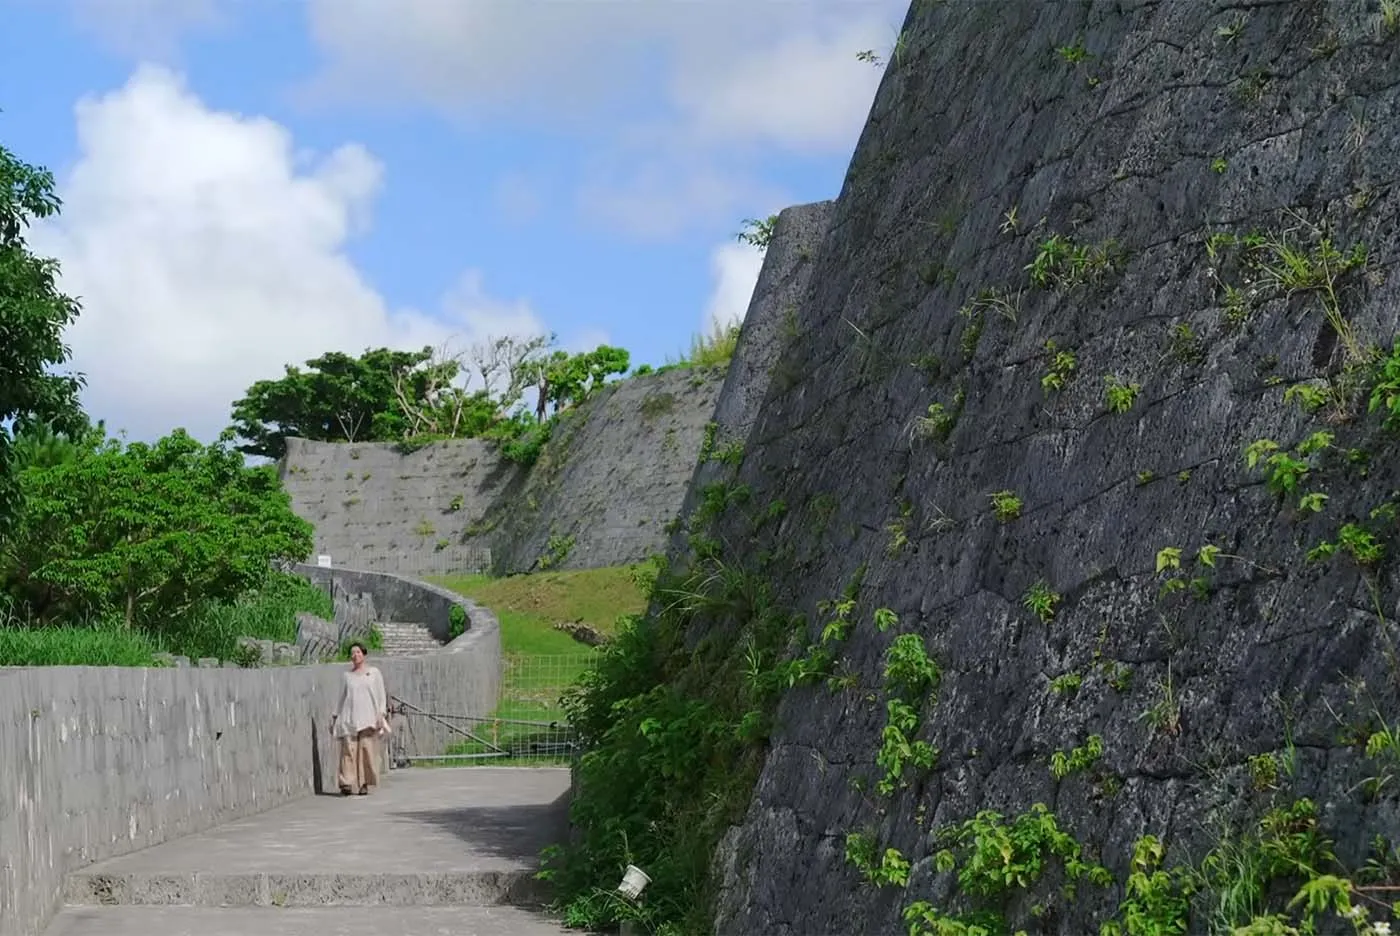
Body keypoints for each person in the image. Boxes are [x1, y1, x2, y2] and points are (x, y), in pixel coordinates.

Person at [330, 641, 389, 796]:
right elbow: (340, 697)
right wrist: (335, 716)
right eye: (352, 653)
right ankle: (346, 782)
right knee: (348, 750)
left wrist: (381, 713)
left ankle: (364, 783)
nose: (355, 655)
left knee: (366, 751)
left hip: (368, 717)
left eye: (358, 652)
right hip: (349, 718)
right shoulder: (347, 676)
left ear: (364, 654)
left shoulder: (374, 673)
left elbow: (381, 695)